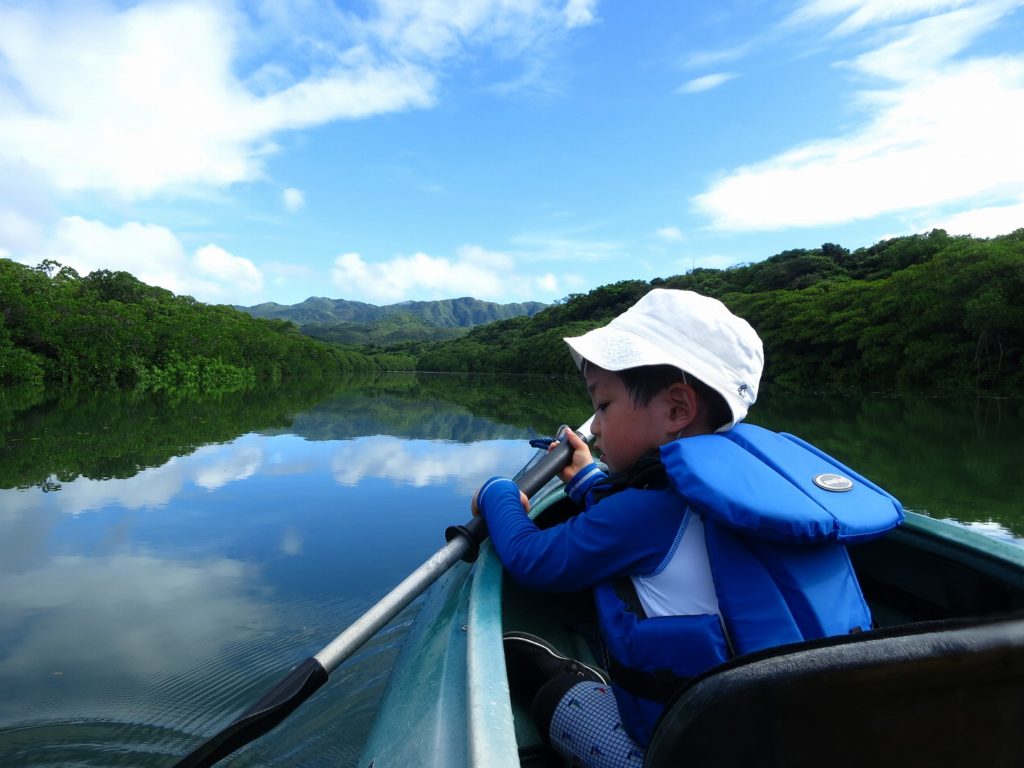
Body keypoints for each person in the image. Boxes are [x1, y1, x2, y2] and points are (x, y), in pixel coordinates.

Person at [472, 288, 903, 767]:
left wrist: (499, 494)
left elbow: (535, 559)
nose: (594, 426)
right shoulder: (759, 489)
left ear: (677, 409)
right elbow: (649, 513)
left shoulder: (644, 514)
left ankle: (564, 676)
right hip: (817, 732)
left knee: (559, 699)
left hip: (705, 753)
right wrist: (588, 478)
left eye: (604, 406)